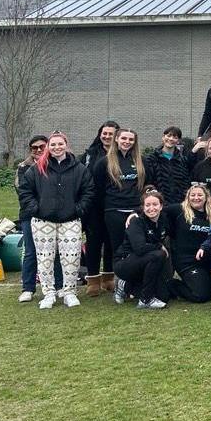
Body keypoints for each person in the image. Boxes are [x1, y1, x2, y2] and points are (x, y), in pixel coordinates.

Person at [16, 131, 94, 309]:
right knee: (44, 258)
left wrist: (78, 209)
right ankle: (49, 293)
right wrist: (36, 209)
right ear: (48, 147)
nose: (57, 147)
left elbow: (88, 191)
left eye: (60, 144)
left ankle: (69, 292)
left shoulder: (79, 168)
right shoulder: (36, 169)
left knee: (72, 257)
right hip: (43, 221)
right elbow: (25, 191)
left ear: (66, 144)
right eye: (53, 145)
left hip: (70, 220)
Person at [94, 128, 146, 292]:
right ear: (116, 139)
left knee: (136, 246)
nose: (127, 142)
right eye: (124, 138)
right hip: (114, 211)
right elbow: (98, 188)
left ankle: (136, 282)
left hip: (135, 211)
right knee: (118, 248)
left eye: (131, 139)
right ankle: (120, 284)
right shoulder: (104, 162)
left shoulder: (140, 161)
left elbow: (145, 186)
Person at [15, 135, 63, 303]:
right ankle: (28, 288)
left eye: (42, 147)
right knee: (31, 252)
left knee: (55, 251)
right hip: (30, 216)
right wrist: (39, 209)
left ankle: (59, 286)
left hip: (54, 216)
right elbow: (24, 193)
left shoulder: (55, 165)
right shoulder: (24, 167)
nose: (38, 150)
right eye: (34, 147)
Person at [112, 189, 172, 309]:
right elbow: (139, 248)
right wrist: (159, 246)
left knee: (163, 296)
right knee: (158, 254)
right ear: (143, 208)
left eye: (155, 204)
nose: (151, 208)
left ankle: (124, 286)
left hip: (146, 262)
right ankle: (145, 299)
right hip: (125, 263)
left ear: (161, 206)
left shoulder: (164, 220)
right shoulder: (136, 222)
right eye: (147, 205)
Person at [82, 121, 119, 295]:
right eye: (104, 133)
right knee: (94, 242)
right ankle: (93, 279)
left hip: (113, 205)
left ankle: (109, 277)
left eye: (111, 134)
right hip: (94, 206)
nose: (107, 136)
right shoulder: (90, 154)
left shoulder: (121, 155)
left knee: (111, 242)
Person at [165, 184, 211, 303]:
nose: (196, 198)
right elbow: (156, 209)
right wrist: (134, 213)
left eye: (199, 195)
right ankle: (171, 284)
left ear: (206, 197)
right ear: (188, 197)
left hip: (209, 262)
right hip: (188, 262)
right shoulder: (179, 210)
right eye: (192, 195)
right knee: (201, 295)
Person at [144, 126, 193, 205]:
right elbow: (148, 182)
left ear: (178, 141)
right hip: (158, 203)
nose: (171, 139)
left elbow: (186, 182)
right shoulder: (151, 159)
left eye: (175, 137)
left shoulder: (183, 160)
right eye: (169, 135)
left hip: (179, 203)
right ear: (163, 137)